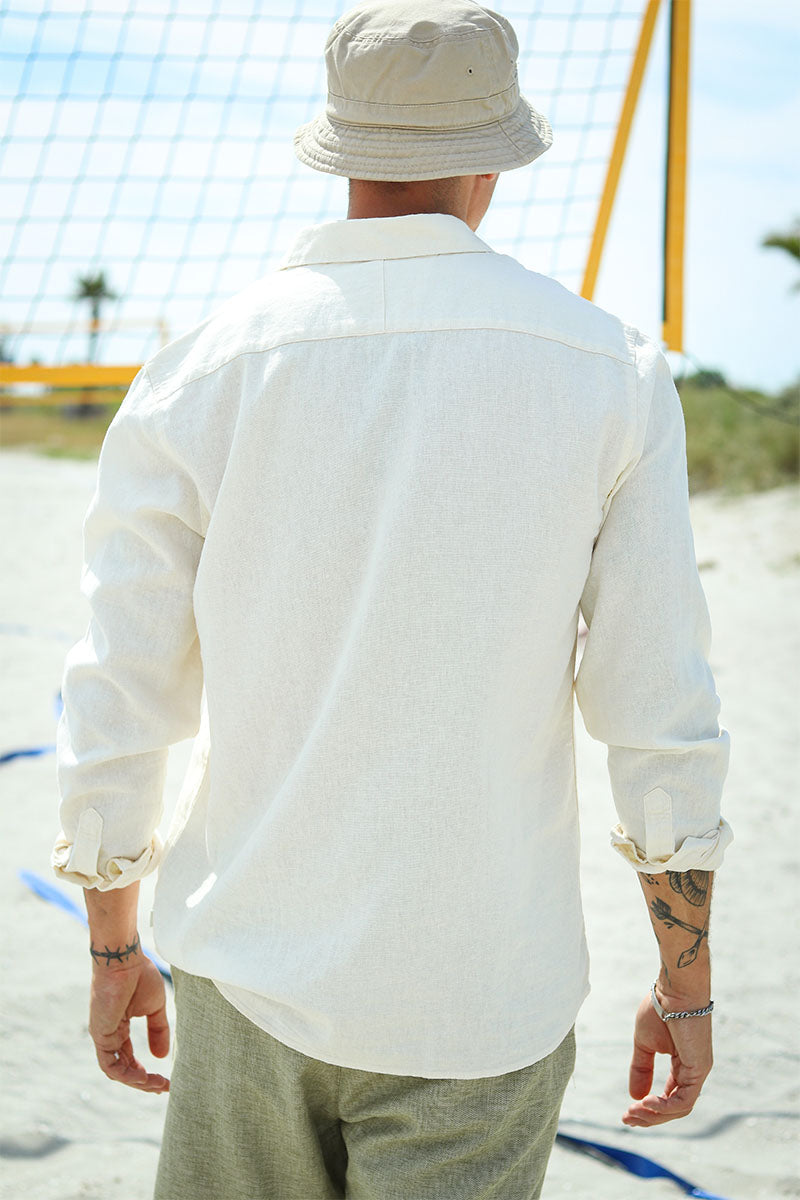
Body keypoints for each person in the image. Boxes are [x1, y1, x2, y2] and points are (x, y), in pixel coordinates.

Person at [52, 3, 732, 1197]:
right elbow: (655, 707)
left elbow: (120, 689)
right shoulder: (607, 370)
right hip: (480, 995)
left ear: (341, 150)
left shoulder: (197, 370)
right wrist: (685, 981)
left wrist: (114, 948)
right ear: (491, 163)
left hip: (246, 969)